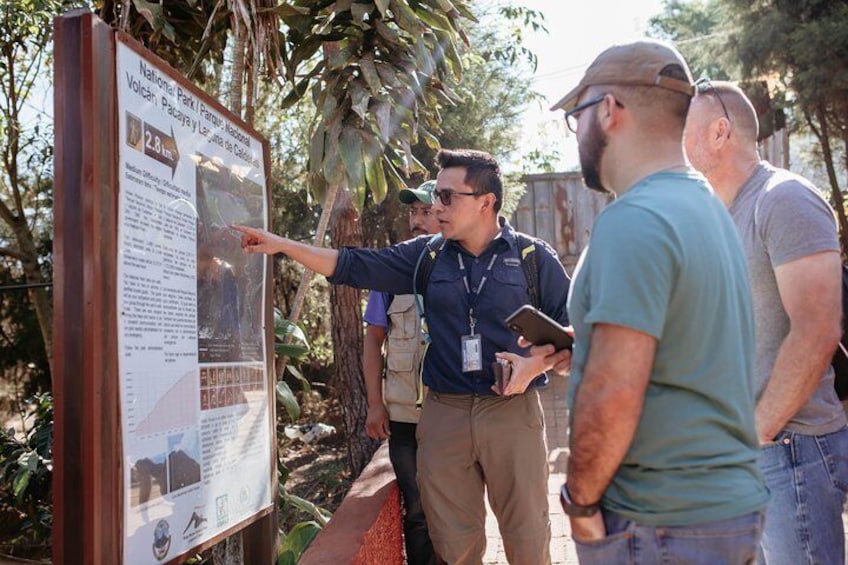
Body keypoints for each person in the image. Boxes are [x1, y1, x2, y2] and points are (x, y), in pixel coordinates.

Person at [234, 148, 571, 565]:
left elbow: (577, 332)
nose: (436, 206)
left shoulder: (531, 258)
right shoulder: (426, 255)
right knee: (454, 542)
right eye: (436, 196)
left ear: (486, 202)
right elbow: (352, 265)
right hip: (444, 413)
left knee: (528, 537)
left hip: (512, 412)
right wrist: (281, 245)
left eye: (448, 197)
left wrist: (532, 366)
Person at [549, 40, 769, 564]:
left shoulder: (635, 220)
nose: (576, 133)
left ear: (607, 110)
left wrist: (579, 503)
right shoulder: (707, 208)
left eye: (576, 116)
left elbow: (615, 391)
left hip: (657, 522)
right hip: (722, 512)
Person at [684, 81, 848, 565]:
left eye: (683, 125)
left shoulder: (783, 199)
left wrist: (760, 428)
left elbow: (818, 329)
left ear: (719, 131)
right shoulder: (718, 216)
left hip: (790, 449)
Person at [361, 180, 440, 565]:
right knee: (417, 510)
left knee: (460, 507)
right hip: (405, 416)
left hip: (455, 414)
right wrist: (375, 404)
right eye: (413, 212)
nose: (417, 220)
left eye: (426, 211)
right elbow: (373, 339)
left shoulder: (463, 270)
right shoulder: (391, 272)